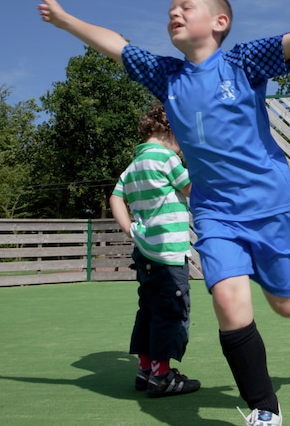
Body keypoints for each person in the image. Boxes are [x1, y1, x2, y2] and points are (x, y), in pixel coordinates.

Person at [39, 0, 290, 425]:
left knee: (284, 303)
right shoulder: (166, 74)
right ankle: (265, 411)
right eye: (170, 8)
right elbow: (114, 43)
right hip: (214, 212)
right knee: (230, 304)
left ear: (219, 21)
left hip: (268, 205)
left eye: (185, 6)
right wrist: (64, 21)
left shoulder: (242, 62)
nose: (174, 12)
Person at [110, 103, 200, 398]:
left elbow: (115, 197)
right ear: (169, 131)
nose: (182, 148)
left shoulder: (134, 165)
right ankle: (162, 377)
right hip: (169, 253)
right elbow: (191, 189)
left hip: (145, 252)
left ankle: (145, 369)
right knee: (171, 312)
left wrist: (130, 230)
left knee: (148, 310)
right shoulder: (166, 159)